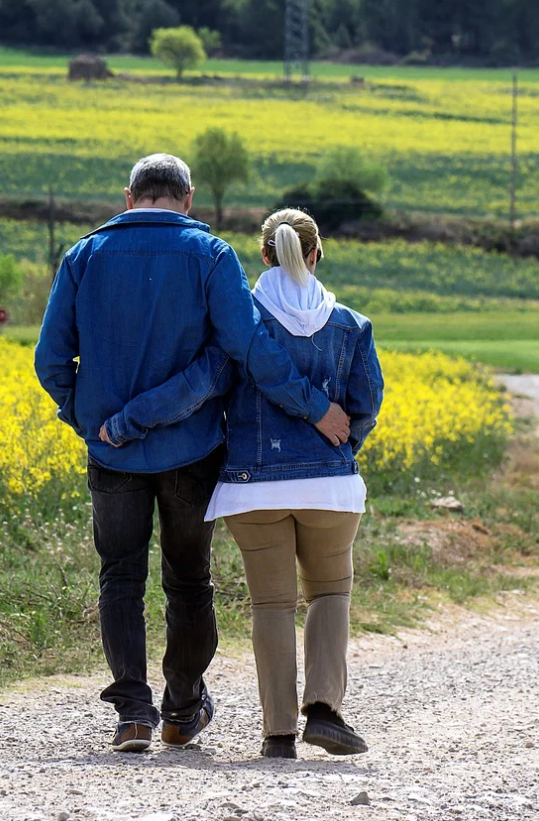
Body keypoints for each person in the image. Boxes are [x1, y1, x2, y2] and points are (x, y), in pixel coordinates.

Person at [34, 155, 352, 754]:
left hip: (111, 455)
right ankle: (182, 710)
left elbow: (50, 360)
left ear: (129, 196)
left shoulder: (83, 256)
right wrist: (313, 407)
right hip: (192, 450)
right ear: (189, 198)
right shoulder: (211, 256)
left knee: (119, 577)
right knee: (188, 580)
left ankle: (133, 713)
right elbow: (247, 348)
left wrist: (91, 422)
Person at [102, 208, 383, 759]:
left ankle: (278, 734)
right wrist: (339, 451)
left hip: (252, 490)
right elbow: (366, 404)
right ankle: (324, 710)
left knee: (271, 605)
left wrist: (128, 421)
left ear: (263, 255)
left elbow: (197, 386)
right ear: (317, 255)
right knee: (329, 593)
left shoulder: (242, 326)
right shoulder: (352, 325)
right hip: (330, 488)